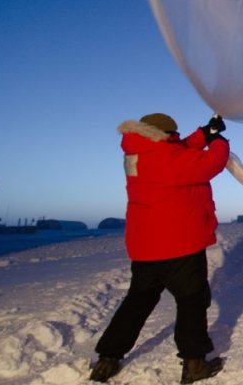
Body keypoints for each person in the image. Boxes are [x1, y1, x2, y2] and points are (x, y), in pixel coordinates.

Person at [89, 113, 230, 384]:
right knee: (192, 302)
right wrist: (219, 141)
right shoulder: (169, 158)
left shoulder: (137, 154)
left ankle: (107, 359)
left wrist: (203, 134)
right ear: (165, 135)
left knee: (137, 302)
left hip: (145, 248)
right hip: (179, 246)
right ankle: (194, 364)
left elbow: (176, 153)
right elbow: (211, 163)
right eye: (173, 135)